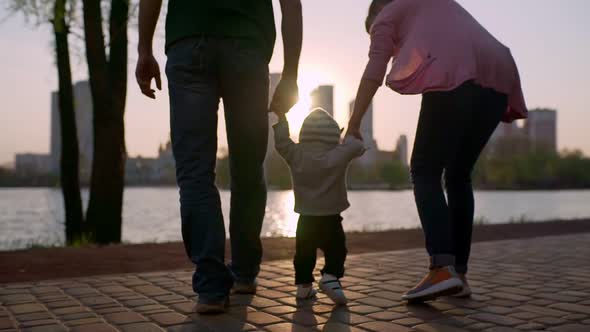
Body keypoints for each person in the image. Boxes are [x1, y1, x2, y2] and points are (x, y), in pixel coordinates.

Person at [348, 0, 527, 302]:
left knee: (424, 170)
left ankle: (442, 269)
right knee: (458, 175)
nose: (391, 48)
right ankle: (459, 275)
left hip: (456, 68)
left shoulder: (386, 15)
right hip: (499, 72)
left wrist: (353, 123)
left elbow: (375, 67)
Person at [135, 0, 303, 314]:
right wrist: (290, 74)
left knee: (195, 172)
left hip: (188, 42)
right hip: (247, 47)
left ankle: (211, 287)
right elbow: (291, 5)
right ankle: (243, 272)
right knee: (248, 167)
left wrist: (144, 49)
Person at [273, 108, 365, 305]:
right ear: (333, 137)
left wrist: (281, 119)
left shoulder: (296, 153)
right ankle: (331, 276)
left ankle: (304, 287)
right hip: (331, 218)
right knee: (337, 250)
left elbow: (281, 143)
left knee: (304, 254)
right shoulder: (339, 153)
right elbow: (357, 146)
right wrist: (352, 136)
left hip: (305, 218)